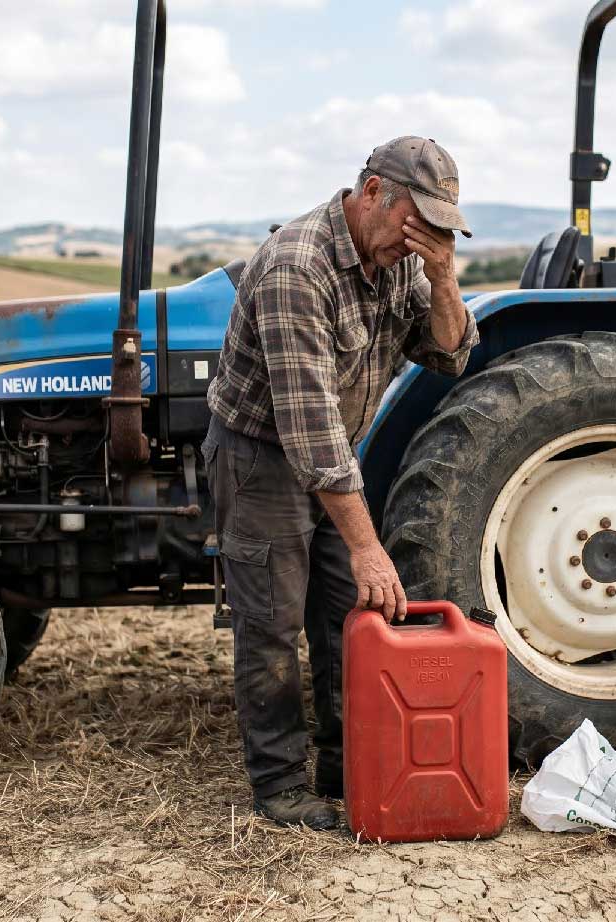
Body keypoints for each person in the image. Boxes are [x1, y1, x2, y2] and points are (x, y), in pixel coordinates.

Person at [202, 136, 479, 829]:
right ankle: (279, 785)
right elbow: (310, 431)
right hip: (262, 457)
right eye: (419, 219)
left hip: (332, 460)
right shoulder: (297, 267)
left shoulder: (398, 261)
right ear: (374, 192)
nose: (423, 238)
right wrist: (366, 544)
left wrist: (444, 277)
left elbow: (449, 354)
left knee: (345, 615)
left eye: (438, 228)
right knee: (271, 623)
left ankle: (341, 760)